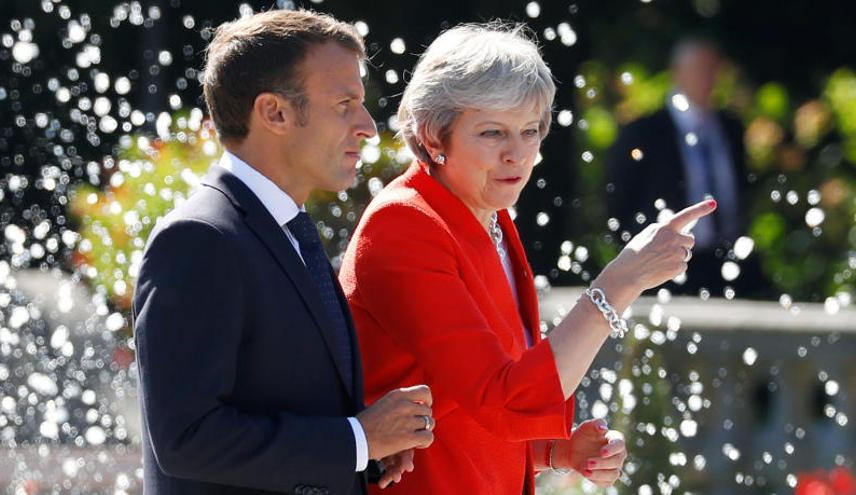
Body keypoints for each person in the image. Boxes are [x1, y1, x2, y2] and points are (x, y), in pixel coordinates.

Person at [339, 23, 716, 494]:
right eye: (493, 132)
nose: (518, 155)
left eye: (531, 131)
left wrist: (557, 452)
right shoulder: (405, 223)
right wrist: (619, 283)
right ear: (435, 134)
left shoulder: (485, 214)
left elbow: (463, 410)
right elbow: (501, 400)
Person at [133, 10, 435, 495]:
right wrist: (356, 439)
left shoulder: (288, 229)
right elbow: (188, 440)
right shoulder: (197, 239)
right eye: (345, 104)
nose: (367, 126)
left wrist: (365, 453)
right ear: (274, 112)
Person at [607, 37, 760, 295]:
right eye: (698, 70)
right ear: (677, 73)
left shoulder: (731, 128)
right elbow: (618, 199)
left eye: (712, 70)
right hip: (665, 266)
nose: (706, 78)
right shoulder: (645, 132)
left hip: (727, 260)